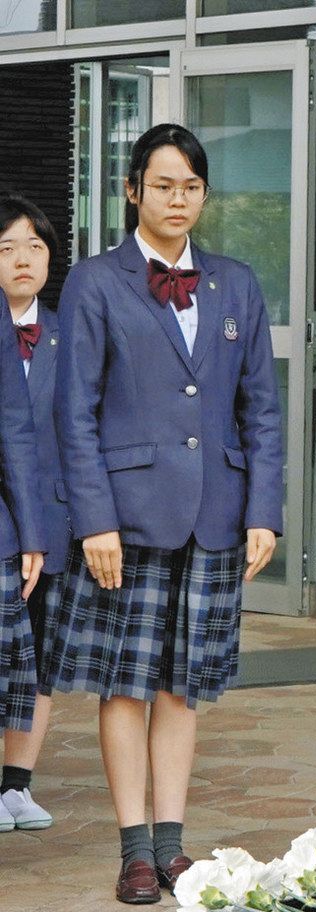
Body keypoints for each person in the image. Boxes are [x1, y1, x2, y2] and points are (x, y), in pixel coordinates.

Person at [45, 124, 284, 904]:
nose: (178, 200)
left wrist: (265, 510)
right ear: (132, 190)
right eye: (164, 185)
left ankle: (175, 845)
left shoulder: (236, 285)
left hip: (215, 514)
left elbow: (262, 411)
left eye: (191, 187)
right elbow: (72, 412)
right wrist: (93, 520)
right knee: (126, 684)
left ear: (204, 196)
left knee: (184, 686)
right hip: (128, 517)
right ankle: (134, 849)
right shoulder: (94, 282)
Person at [0, 195, 67, 832]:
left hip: (52, 517)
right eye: (7, 247)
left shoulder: (69, 331)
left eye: (36, 246)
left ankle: (17, 785)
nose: (23, 259)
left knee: (40, 653)